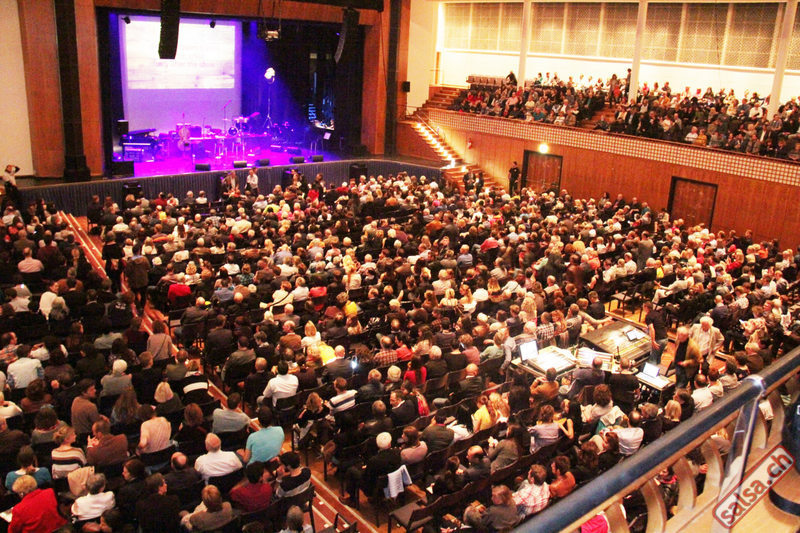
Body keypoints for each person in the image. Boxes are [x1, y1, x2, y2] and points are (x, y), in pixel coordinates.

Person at [340, 431, 400, 507]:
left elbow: (367, 478)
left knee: (351, 471)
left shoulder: (374, 460)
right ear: (389, 444)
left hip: (372, 489)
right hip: (391, 485)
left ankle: (352, 500)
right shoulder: (397, 453)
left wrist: (363, 469)